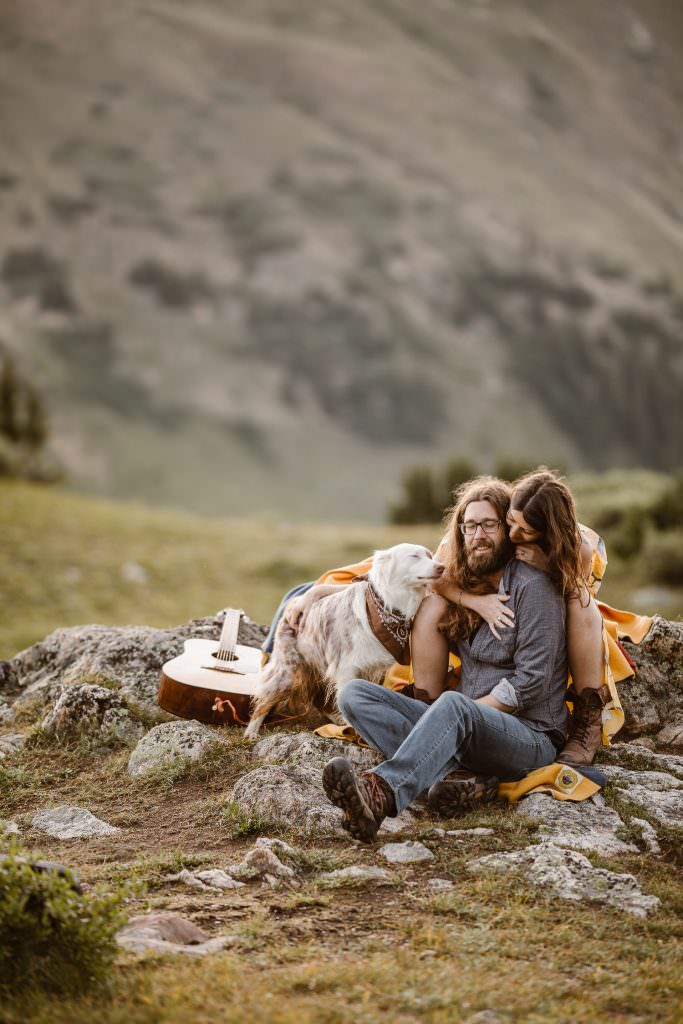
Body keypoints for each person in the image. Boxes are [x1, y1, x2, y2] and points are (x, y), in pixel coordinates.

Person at [321, 477, 568, 843]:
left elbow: (531, 681)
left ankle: (381, 793)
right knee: (354, 694)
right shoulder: (464, 584)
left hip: (529, 736)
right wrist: (314, 593)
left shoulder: (533, 588)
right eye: (470, 526)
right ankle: (456, 779)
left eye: (489, 525)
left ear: (508, 529)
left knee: (452, 706)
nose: (478, 535)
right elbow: (395, 575)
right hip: (469, 730)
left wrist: (461, 715)